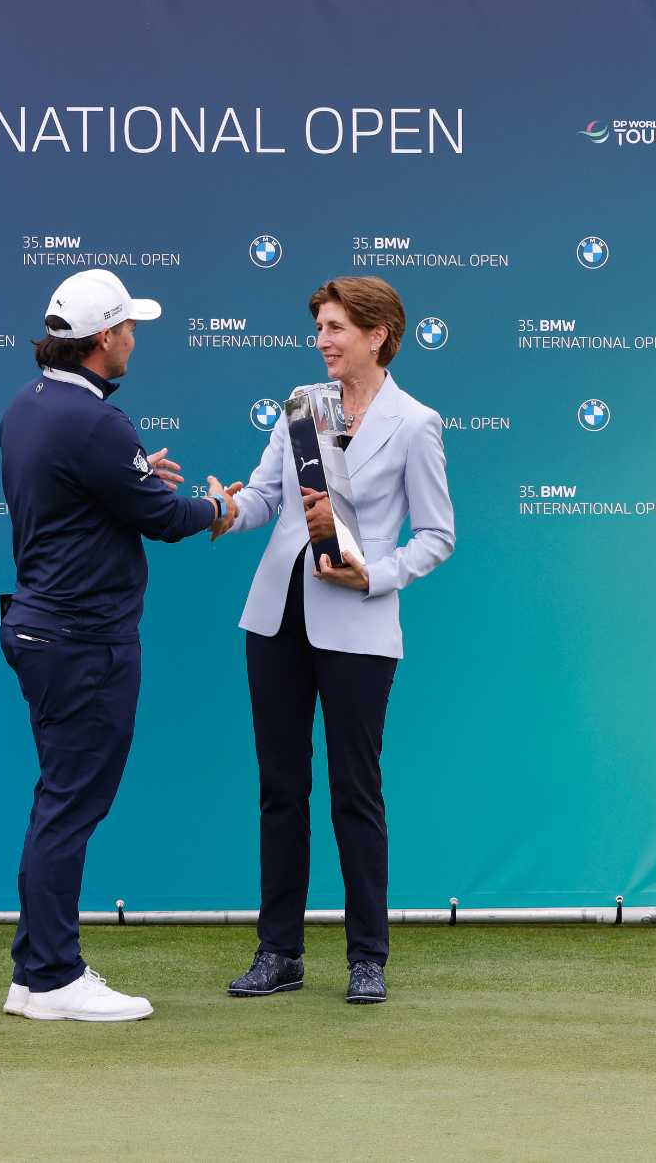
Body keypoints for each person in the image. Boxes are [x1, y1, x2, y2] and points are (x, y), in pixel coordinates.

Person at [0, 268, 242, 1022]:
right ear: (104, 338)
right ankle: (52, 979)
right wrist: (217, 506)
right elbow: (164, 520)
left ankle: (33, 971)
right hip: (81, 639)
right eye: (129, 328)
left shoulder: (29, 406)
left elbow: (96, 496)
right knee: (69, 807)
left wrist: (140, 479)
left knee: (59, 801)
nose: (135, 339)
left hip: (44, 628)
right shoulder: (96, 422)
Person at [219, 276, 454, 1005]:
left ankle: (366, 959)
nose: (320, 340)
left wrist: (375, 575)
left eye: (334, 328)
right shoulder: (300, 405)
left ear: (377, 334)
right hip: (275, 617)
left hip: (358, 623)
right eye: (318, 327)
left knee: (356, 792)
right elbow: (264, 498)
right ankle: (277, 952)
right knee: (279, 790)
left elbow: (438, 537)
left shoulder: (415, 423)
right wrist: (220, 509)